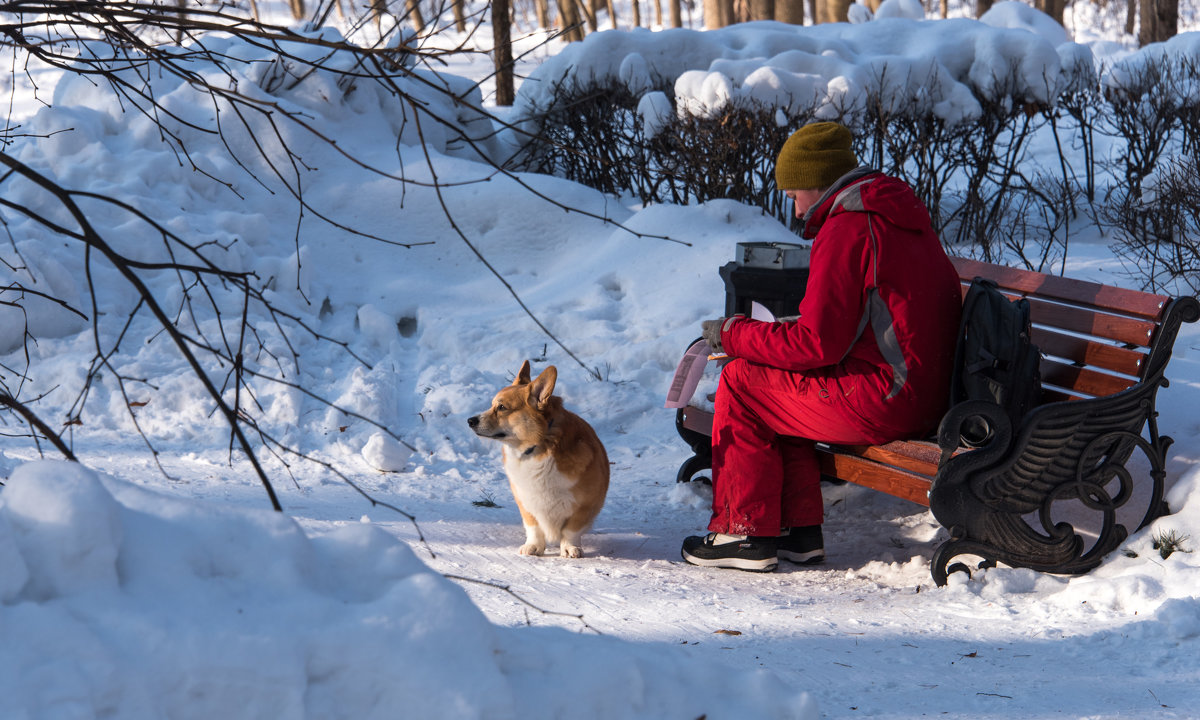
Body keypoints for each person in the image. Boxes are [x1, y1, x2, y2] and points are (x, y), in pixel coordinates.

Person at [681, 121, 962, 572]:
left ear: (816, 183)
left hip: (886, 399)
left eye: (794, 195)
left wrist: (732, 334)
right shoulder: (894, 217)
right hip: (922, 393)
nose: (794, 211)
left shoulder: (849, 228)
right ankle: (797, 532)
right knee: (777, 381)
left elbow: (816, 345)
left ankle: (743, 532)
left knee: (741, 381)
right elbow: (867, 319)